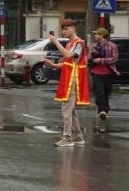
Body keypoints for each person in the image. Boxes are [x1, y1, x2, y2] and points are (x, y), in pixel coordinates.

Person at [44, 19, 89, 147]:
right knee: (70, 109)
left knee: (66, 109)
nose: (64, 31)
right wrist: (52, 64)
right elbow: (67, 63)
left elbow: (68, 56)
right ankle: (78, 136)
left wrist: (56, 41)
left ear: (74, 28)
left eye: (66, 28)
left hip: (73, 79)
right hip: (68, 78)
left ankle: (67, 137)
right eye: (63, 29)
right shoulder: (70, 44)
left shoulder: (78, 43)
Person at [88, 27, 119, 122]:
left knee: (105, 92)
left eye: (96, 34)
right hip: (96, 72)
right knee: (99, 91)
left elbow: (114, 58)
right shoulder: (93, 45)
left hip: (108, 73)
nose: (95, 36)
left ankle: (105, 111)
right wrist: (93, 54)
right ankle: (102, 110)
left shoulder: (112, 46)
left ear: (101, 35)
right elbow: (88, 57)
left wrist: (101, 60)